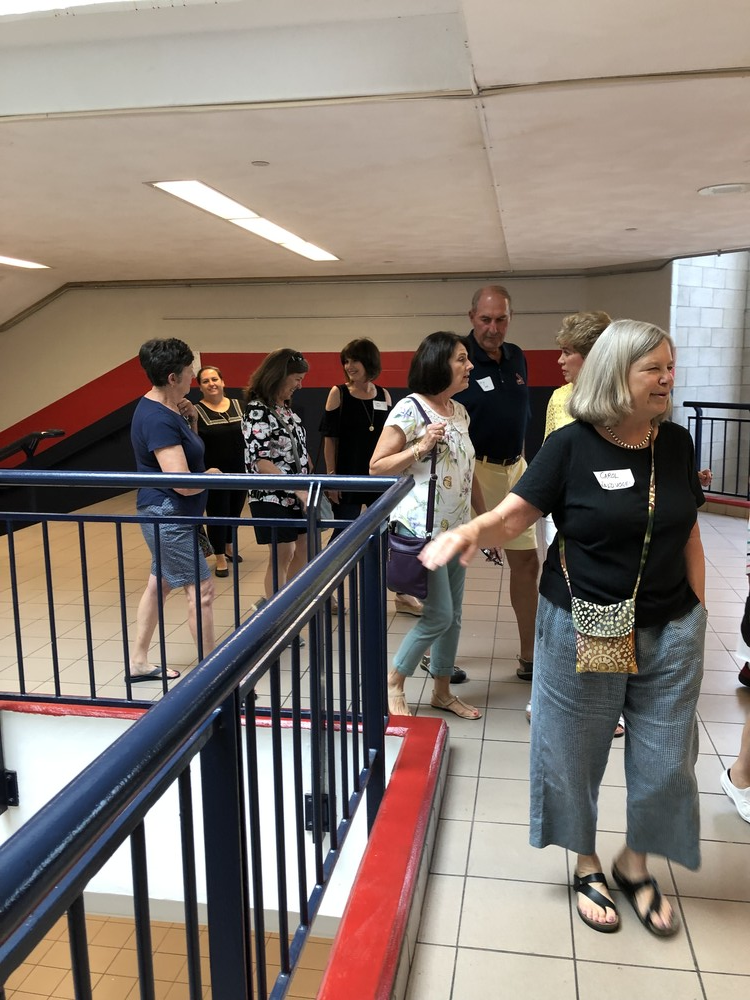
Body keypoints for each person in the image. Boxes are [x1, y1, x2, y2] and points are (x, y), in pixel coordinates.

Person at [421, 319, 707, 937]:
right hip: (587, 620)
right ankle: (585, 861)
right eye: (653, 368)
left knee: (667, 760)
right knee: (574, 750)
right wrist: (471, 530)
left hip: (671, 626)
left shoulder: (677, 444)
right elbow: (513, 517)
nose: (667, 378)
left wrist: (699, 613)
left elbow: (688, 531)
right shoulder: (571, 445)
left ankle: (635, 863)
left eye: (670, 366)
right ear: (617, 375)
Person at [370, 331, 487, 720]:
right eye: (461, 359)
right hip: (423, 531)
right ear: (439, 363)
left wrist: (483, 521)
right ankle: (394, 681)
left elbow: (468, 471)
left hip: (456, 530)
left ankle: (441, 691)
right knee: (438, 615)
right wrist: (419, 448)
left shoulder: (460, 411)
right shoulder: (410, 409)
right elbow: (377, 466)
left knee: (453, 616)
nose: (469, 365)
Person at [453, 285, 538, 681]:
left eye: (501, 319)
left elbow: (519, 415)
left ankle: (530, 656)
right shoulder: (458, 359)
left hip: (515, 472)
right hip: (472, 472)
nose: (493, 327)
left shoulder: (517, 356)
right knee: (453, 568)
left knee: (527, 562)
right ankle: (437, 655)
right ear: (472, 317)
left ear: (510, 318)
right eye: (485, 319)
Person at [129, 338, 220, 682]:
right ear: (172, 377)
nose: (193, 376)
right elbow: (181, 481)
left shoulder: (172, 409)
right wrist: (212, 477)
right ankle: (213, 674)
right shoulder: (157, 418)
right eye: (189, 371)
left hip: (174, 513)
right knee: (202, 591)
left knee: (160, 584)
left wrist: (192, 422)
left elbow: (188, 455)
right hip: (168, 514)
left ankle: (138, 662)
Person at [320, 337, 421, 617]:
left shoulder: (384, 395)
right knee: (343, 536)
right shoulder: (338, 393)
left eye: (355, 360)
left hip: (380, 478)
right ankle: (324, 590)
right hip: (348, 478)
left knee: (390, 537)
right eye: (346, 361)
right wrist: (332, 477)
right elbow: (330, 439)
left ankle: (402, 593)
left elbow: (393, 440)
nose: (349, 366)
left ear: (369, 362)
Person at [242, 349, 311, 603]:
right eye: (296, 379)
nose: (300, 386)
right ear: (279, 376)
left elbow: (296, 449)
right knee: (283, 553)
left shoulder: (284, 408)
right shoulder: (257, 411)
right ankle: (276, 614)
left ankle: (285, 602)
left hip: (295, 493)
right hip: (271, 495)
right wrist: (297, 488)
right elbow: (261, 462)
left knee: (304, 549)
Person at [194, 366, 246, 577]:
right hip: (214, 472)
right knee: (218, 513)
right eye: (205, 381)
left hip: (240, 471)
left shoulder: (240, 405)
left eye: (214, 379)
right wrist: (202, 470)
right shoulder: (195, 412)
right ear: (200, 387)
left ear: (223, 382)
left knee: (235, 511)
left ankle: (228, 546)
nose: (211, 384)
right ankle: (219, 557)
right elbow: (194, 444)